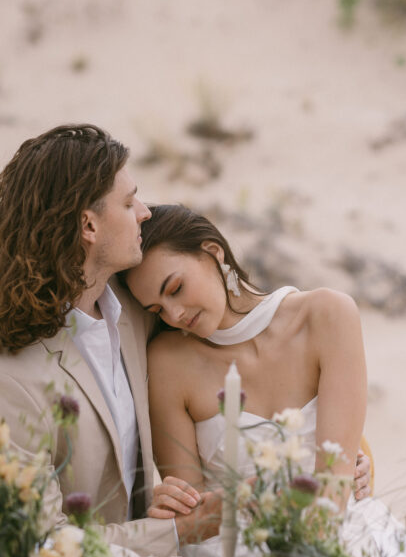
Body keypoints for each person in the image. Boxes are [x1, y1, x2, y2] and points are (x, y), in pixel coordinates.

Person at [0, 125, 221, 557]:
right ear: (88, 225)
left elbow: (229, 345)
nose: (144, 214)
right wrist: (178, 532)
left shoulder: (137, 305)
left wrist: (317, 447)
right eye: (129, 202)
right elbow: (37, 544)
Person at [123, 204, 370, 523]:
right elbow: (194, 519)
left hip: (339, 538)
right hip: (225, 556)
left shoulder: (327, 314)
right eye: (157, 310)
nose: (175, 315)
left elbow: (334, 490)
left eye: (176, 289)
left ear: (213, 252)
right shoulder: (167, 364)